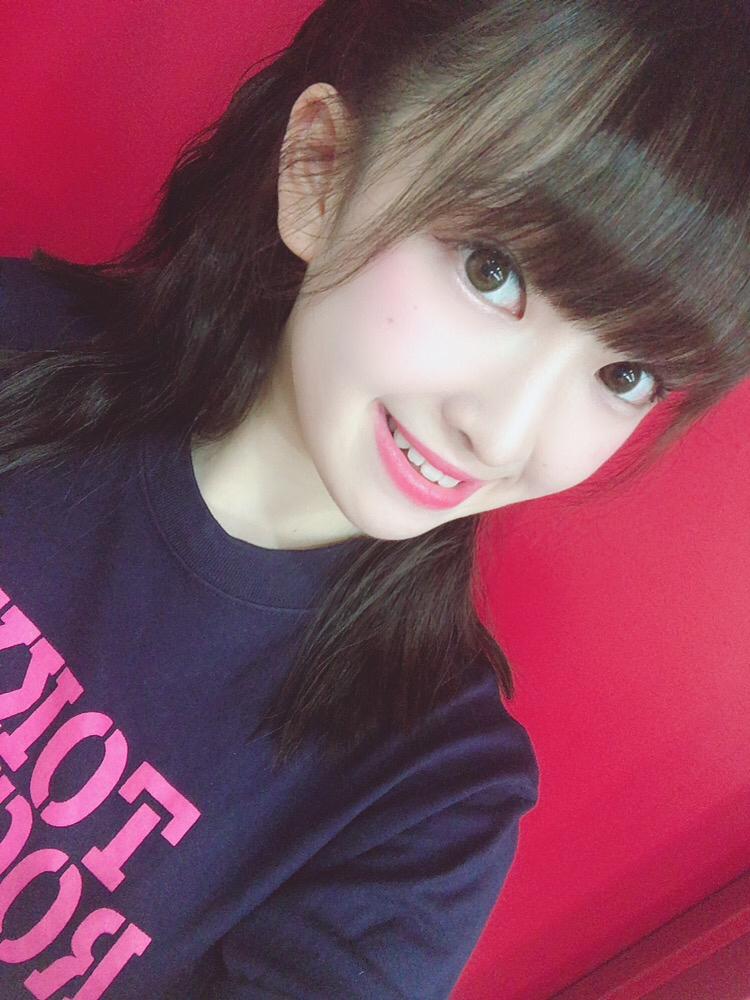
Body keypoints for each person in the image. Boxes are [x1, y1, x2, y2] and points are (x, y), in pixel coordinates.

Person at [0, 0, 748, 996]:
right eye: (493, 271)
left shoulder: (430, 801)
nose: (505, 434)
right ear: (321, 170)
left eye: (627, 375)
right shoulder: (16, 350)